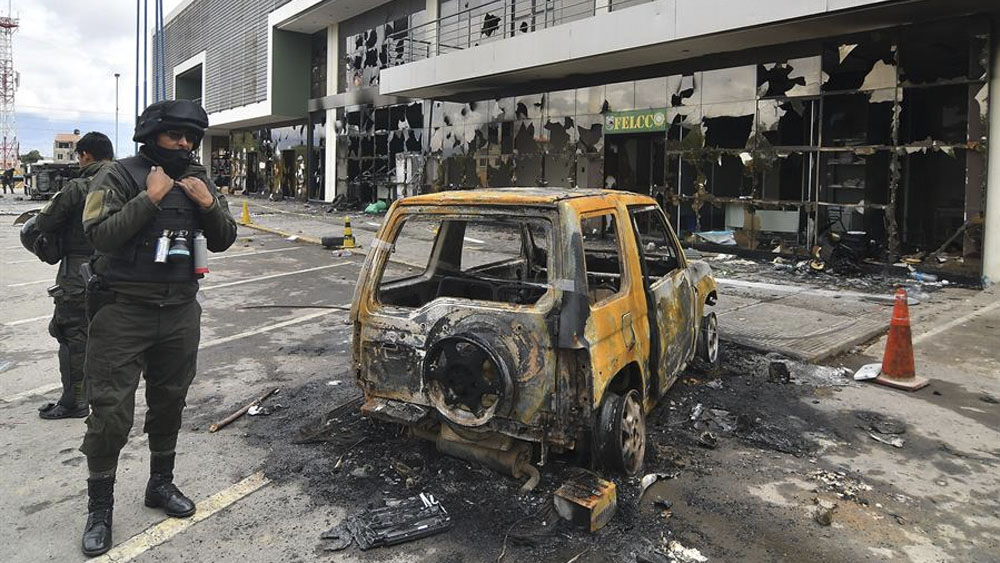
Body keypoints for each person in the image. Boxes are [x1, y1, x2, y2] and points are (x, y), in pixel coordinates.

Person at [79, 100, 237, 557]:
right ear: (152, 135)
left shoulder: (199, 179)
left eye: (191, 137)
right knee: (110, 414)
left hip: (180, 310)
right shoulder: (119, 175)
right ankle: (100, 508)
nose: (184, 144)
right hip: (123, 311)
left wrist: (208, 205)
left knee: (170, 401)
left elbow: (224, 238)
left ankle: (160, 485)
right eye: (175, 135)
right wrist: (148, 198)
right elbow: (100, 236)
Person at [34, 132, 113, 420]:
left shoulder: (77, 187)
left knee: (71, 335)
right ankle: (104, 398)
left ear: (85, 156)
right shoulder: (129, 183)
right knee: (108, 337)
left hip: (79, 275)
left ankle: (74, 401)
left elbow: (43, 222)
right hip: (119, 273)